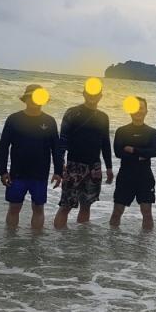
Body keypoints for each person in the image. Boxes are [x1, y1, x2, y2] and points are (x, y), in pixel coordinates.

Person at [0, 84, 63, 231]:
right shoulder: (14, 119)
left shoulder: (50, 121)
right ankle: (11, 242)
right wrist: (2, 171)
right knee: (14, 208)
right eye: (31, 97)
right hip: (17, 173)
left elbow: (56, 149)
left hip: (40, 174)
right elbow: (3, 147)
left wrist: (58, 171)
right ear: (25, 99)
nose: (34, 100)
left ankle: (35, 245)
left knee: (38, 208)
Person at [54, 85, 113, 228]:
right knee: (66, 206)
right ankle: (58, 245)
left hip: (94, 167)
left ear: (100, 96)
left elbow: (105, 143)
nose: (92, 97)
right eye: (90, 93)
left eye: (95, 94)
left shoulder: (103, 117)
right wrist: (59, 166)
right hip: (74, 165)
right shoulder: (73, 113)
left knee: (86, 206)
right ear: (84, 94)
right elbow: (62, 141)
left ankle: (82, 243)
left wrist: (109, 167)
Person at [110, 97, 156, 231]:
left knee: (147, 213)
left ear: (146, 111)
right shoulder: (122, 131)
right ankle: (113, 243)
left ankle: (144, 247)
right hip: (125, 176)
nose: (138, 111)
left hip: (145, 177)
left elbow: (154, 151)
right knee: (117, 212)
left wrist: (133, 150)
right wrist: (142, 155)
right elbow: (118, 152)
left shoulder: (152, 132)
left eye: (141, 108)